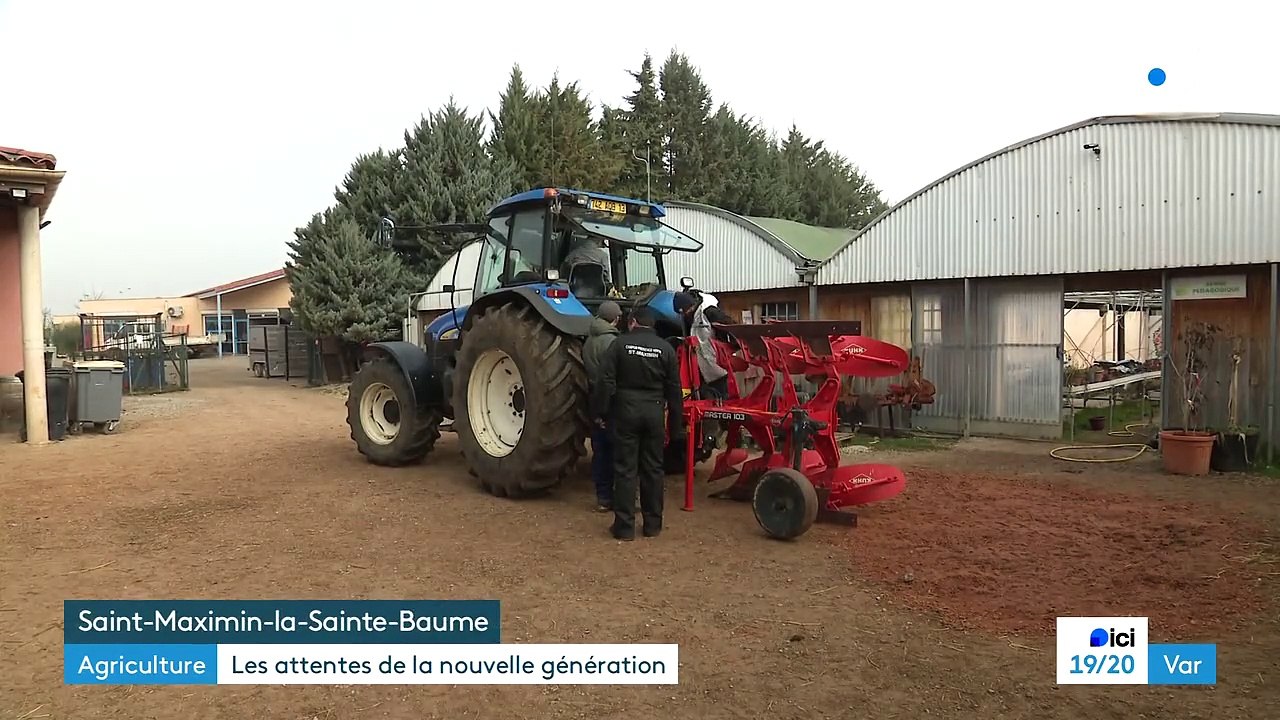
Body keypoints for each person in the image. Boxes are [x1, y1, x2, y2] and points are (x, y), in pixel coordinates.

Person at [591, 305, 684, 540]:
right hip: (654, 414)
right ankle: (653, 525)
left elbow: (605, 381)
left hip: (625, 413)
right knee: (653, 469)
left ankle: (624, 527)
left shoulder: (619, 345)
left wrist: (601, 413)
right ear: (652, 325)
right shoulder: (665, 349)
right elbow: (674, 392)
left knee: (625, 470)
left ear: (632, 322)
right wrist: (676, 428)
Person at [583, 300, 622, 513]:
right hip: (612, 402)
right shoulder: (613, 342)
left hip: (594, 398)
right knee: (618, 451)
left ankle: (603, 498)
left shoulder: (589, 340)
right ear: (616, 318)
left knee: (600, 451)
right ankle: (620, 498)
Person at [673, 290, 734, 400]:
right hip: (700, 364)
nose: (685, 314)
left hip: (715, 365)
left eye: (686, 310)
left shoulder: (709, 312)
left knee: (720, 396)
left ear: (691, 305)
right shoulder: (690, 317)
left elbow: (730, 327)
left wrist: (732, 348)